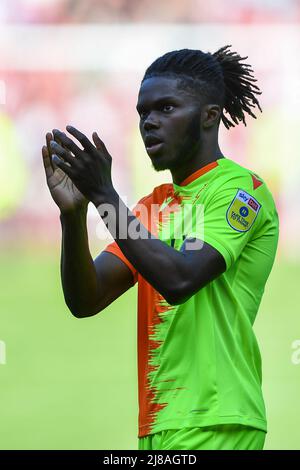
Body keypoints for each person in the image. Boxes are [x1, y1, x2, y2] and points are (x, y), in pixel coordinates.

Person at [42, 45, 279, 450]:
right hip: (158, 424)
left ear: (209, 115)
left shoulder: (240, 190)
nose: (149, 122)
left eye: (166, 109)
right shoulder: (151, 207)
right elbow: (87, 299)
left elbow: (180, 278)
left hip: (219, 418)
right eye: (142, 113)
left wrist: (103, 195)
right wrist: (73, 216)